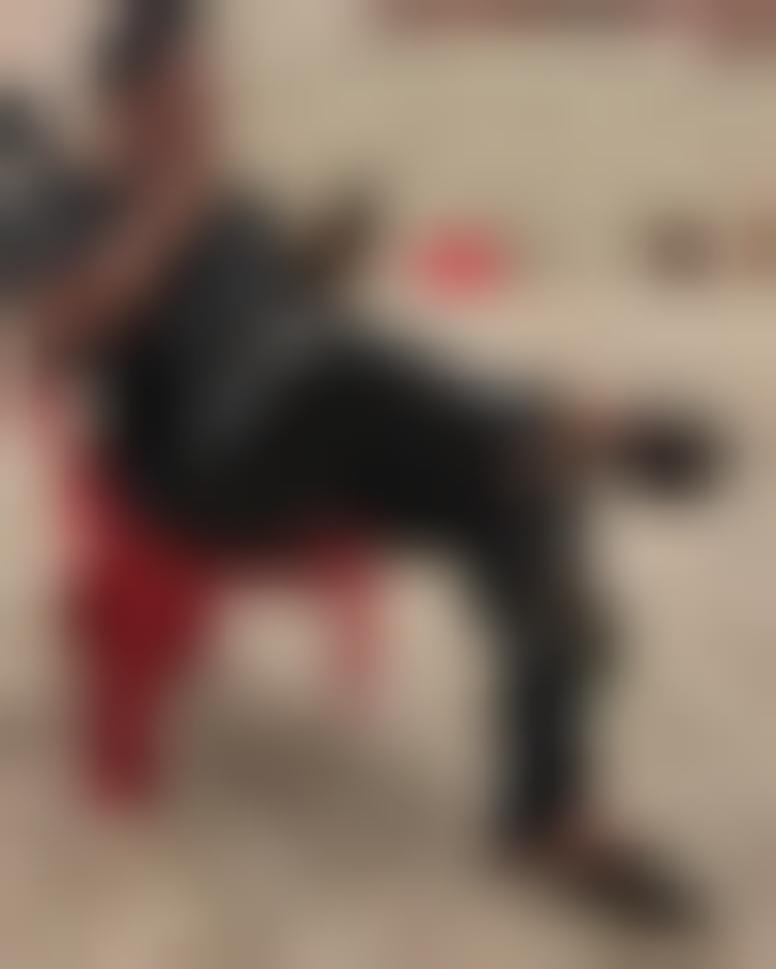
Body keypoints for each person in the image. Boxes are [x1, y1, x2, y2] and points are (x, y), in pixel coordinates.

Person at [6, 0, 717, 928]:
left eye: (203, 93)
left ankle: (550, 813)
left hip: (316, 443)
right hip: (191, 476)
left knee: (520, 487)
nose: (199, 114)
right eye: (175, 96)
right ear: (123, 104)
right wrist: (164, 214)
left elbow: (281, 319)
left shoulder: (236, 209)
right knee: (344, 362)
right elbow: (54, 340)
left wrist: (317, 254)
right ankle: (574, 419)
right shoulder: (57, 200)